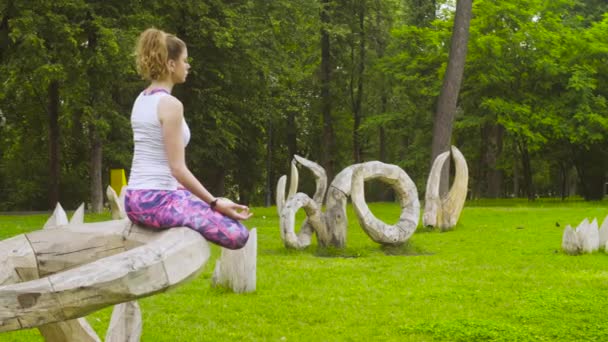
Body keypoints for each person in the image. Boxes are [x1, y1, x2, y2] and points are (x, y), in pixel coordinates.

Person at [124, 28, 251, 250]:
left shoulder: (141, 99)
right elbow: (177, 169)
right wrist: (213, 202)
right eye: (184, 60)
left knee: (211, 207)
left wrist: (211, 201)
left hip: (135, 197)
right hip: (156, 201)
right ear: (171, 65)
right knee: (237, 235)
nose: (188, 65)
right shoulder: (170, 105)